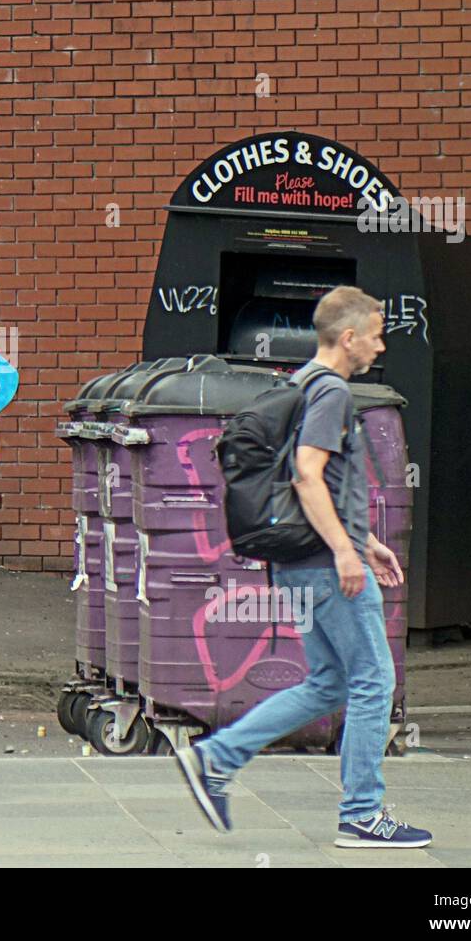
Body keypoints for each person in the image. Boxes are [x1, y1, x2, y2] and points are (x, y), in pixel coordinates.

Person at [176, 286, 432, 848]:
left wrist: (363, 540)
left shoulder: (299, 382)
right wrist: (345, 552)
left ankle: (216, 758)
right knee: (374, 682)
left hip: (302, 561)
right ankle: (362, 814)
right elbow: (307, 475)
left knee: (327, 683)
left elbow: (320, 485)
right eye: (375, 333)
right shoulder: (334, 393)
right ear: (348, 337)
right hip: (323, 565)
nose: (380, 344)